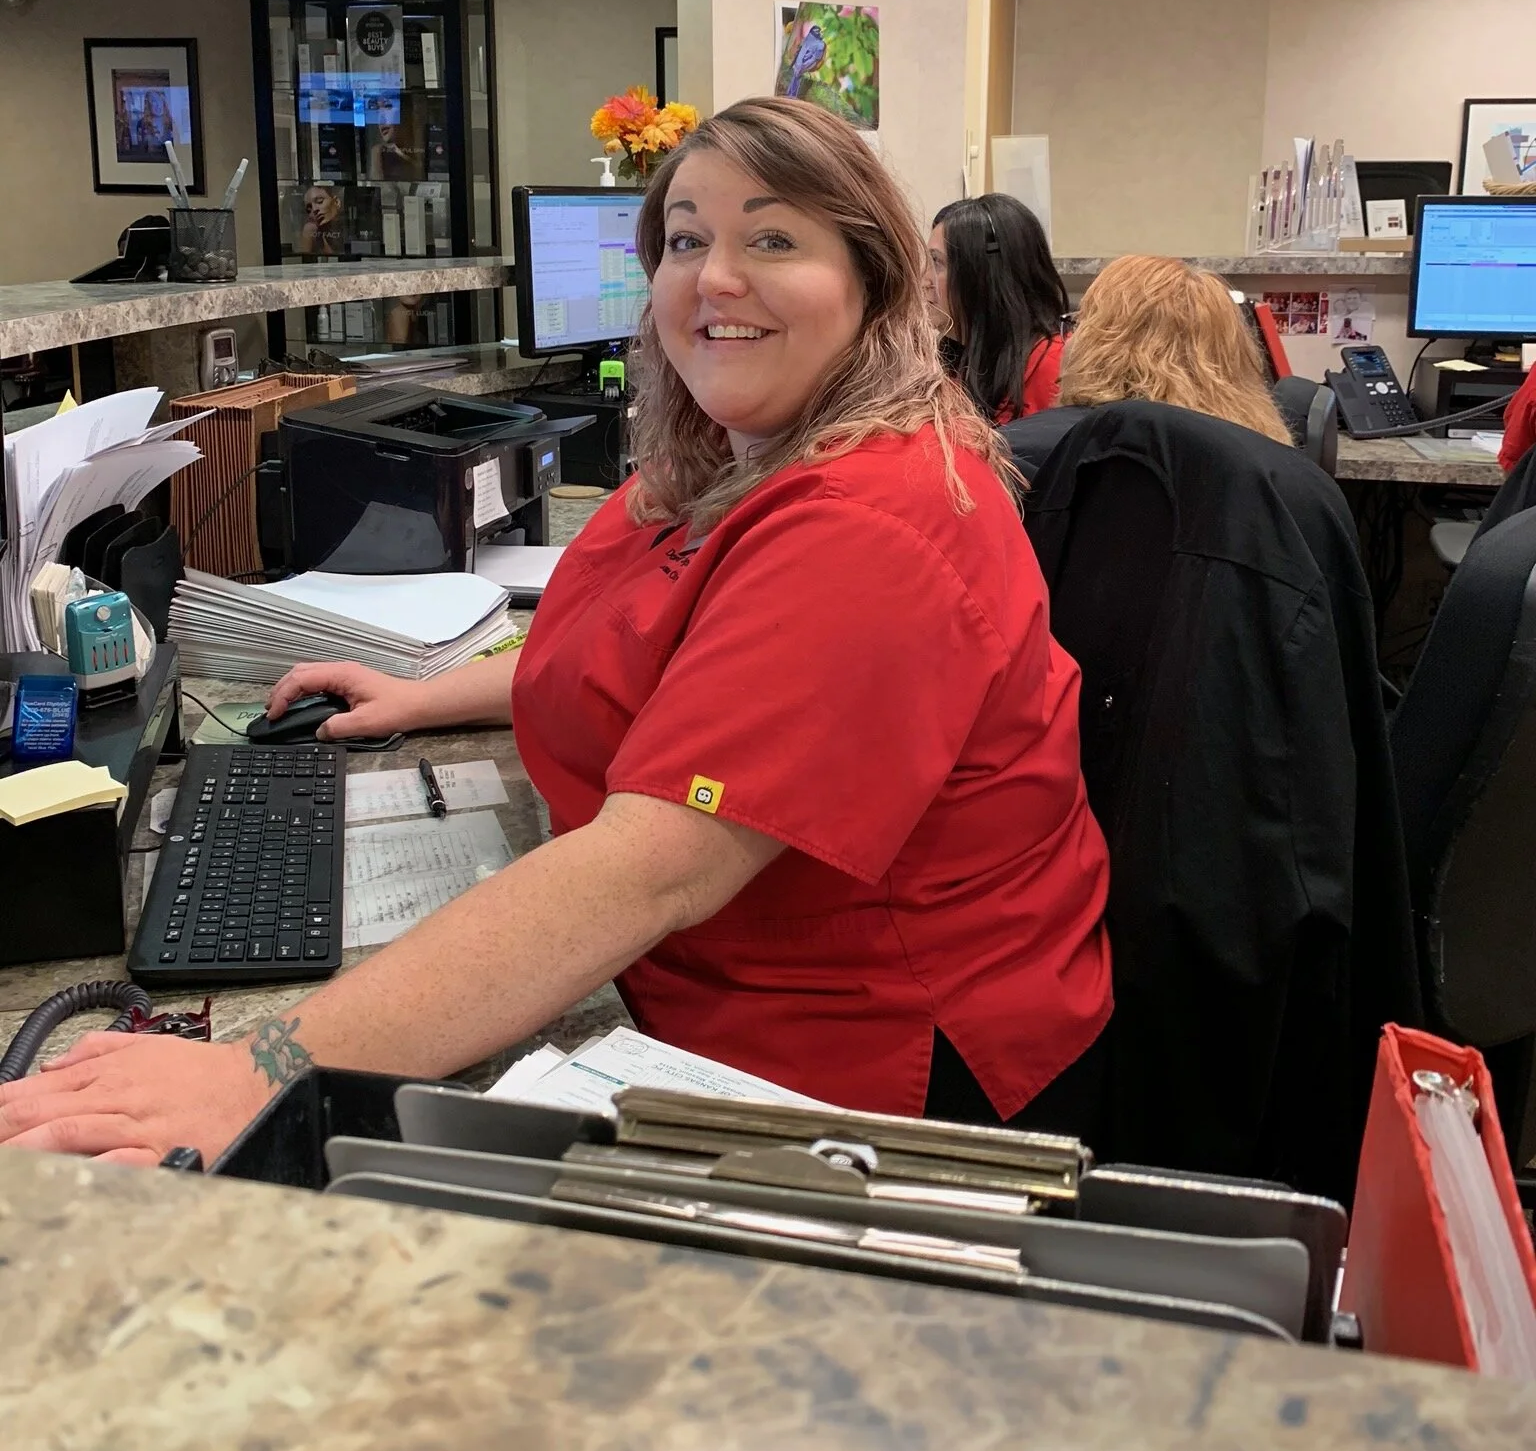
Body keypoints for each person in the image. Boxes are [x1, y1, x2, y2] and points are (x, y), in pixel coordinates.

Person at [0, 97, 1111, 1168]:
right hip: (702, 989)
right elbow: (641, 649)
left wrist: (258, 1067)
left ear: (873, 282)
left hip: (863, 1065)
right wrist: (427, 692)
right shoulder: (723, 460)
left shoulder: (876, 519)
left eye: (773, 237)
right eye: (685, 239)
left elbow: (650, 871)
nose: (715, 276)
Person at [1057, 254, 1294, 446]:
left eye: (1079, 323)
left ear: (1101, 345)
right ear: (1232, 349)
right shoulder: (1271, 451)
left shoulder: (1054, 453)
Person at [925, 195, 1068, 423]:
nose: (924, 281)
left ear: (983, 276)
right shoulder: (948, 361)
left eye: (937, 263)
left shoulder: (1055, 366)